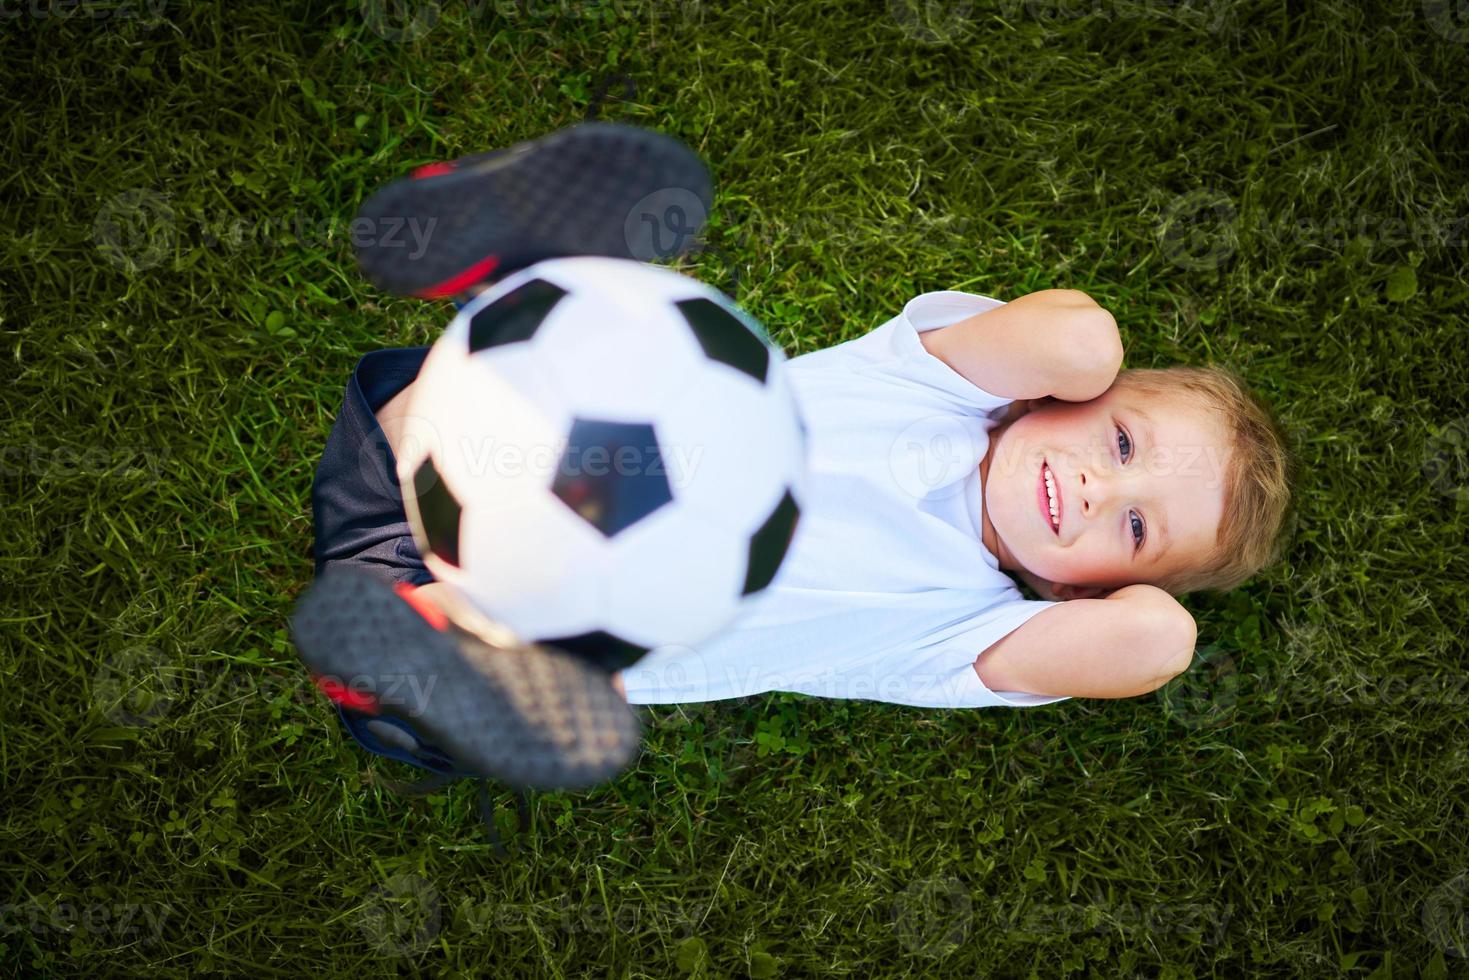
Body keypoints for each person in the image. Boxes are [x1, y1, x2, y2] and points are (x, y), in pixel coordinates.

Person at [294, 120, 1298, 802]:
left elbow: (1155, 642)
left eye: (1131, 527)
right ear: (1068, 399)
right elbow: (1075, 338)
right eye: (1119, 442)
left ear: (1093, 592)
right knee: (545, 360)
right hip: (452, 453)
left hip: (490, 608)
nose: (1092, 487)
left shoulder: (968, 632)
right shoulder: (937, 381)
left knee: (514, 676)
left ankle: (409, 654)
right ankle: (516, 267)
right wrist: (1090, 379)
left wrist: (1110, 597)